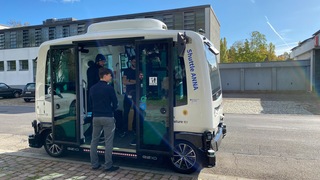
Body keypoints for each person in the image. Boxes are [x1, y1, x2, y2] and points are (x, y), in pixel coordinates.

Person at [89, 68, 119, 172]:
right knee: (108, 142)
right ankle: (108, 165)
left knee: (94, 141)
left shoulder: (92, 88)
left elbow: (90, 103)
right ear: (105, 75)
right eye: (110, 75)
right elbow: (115, 103)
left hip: (96, 117)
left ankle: (94, 164)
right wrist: (112, 109)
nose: (111, 77)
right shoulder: (109, 88)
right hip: (107, 117)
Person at [120, 57, 138, 145]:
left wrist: (129, 81)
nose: (134, 63)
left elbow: (141, 80)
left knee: (136, 112)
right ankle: (124, 130)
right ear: (131, 62)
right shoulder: (126, 70)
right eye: (133, 61)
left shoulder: (140, 70)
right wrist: (134, 81)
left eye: (136, 61)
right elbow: (124, 82)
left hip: (137, 95)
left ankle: (134, 129)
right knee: (125, 112)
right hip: (127, 94)